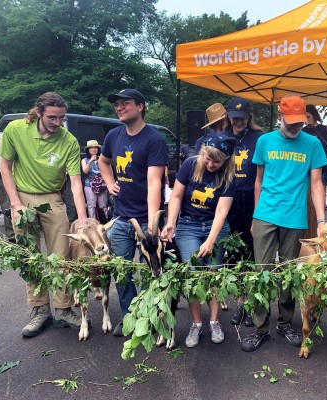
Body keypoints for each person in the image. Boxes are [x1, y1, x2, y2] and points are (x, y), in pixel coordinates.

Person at [240, 96, 327, 352]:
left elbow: (316, 184)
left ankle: (285, 322)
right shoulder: (264, 141)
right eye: (290, 123)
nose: (295, 128)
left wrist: (321, 221)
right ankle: (260, 328)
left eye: (299, 123)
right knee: (261, 272)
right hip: (266, 215)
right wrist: (256, 216)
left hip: (295, 218)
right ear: (279, 116)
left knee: (290, 275)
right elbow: (258, 180)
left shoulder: (312, 144)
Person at [0, 92, 88, 337]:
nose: (58, 123)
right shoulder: (16, 130)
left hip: (51, 199)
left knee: (61, 255)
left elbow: (76, 183)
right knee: (30, 257)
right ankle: (40, 310)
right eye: (52, 118)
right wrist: (15, 204)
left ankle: (63, 309)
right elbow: (5, 167)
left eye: (62, 118)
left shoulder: (68, 140)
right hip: (23, 197)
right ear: (38, 113)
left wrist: (82, 220)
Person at [98, 88, 169, 337]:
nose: (119, 107)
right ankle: (131, 316)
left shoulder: (154, 139)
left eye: (125, 103)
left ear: (140, 106)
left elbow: (154, 183)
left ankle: (151, 317)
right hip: (119, 217)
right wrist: (108, 183)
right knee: (122, 270)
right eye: (117, 104)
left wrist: (152, 224)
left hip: (143, 218)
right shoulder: (113, 136)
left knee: (152, 270)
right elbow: (103, 162)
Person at [161, 132, 236, 348]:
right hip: (188, 225)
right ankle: (196, 323)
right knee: (193, 276)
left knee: (213, 274)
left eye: (217, 161)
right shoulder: (190, 165)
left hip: (216, 226)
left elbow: (222, 211)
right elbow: (175, 196)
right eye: (208, 159)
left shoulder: (229, 176)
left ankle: (213, 321)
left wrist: (211, 240)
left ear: (226, 160)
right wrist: (171, 221)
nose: (211, 164)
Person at [222, 97, 264, 327]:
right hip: (228, 200)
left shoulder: (259, 138)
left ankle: (254, 304)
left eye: (242, 118)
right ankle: (240, 301)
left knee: (253, 253)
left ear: (249, 118)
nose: (238, 121)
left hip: (251, 199)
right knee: (236, 255)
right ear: (229, 117)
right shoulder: (223, 138)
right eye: (234, 117)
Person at [81, 140, 108, 221]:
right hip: (89, 185)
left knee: (103, 205)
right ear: (88, 150)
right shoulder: (84, 160)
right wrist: (91, 161)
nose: (93, 149)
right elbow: (85, 171)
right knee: (91, 206)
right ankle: (93, 224)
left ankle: (104, 222)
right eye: (91, 148)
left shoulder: (102, 159)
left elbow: (107, 171)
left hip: (101, 185)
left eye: (95, 147)